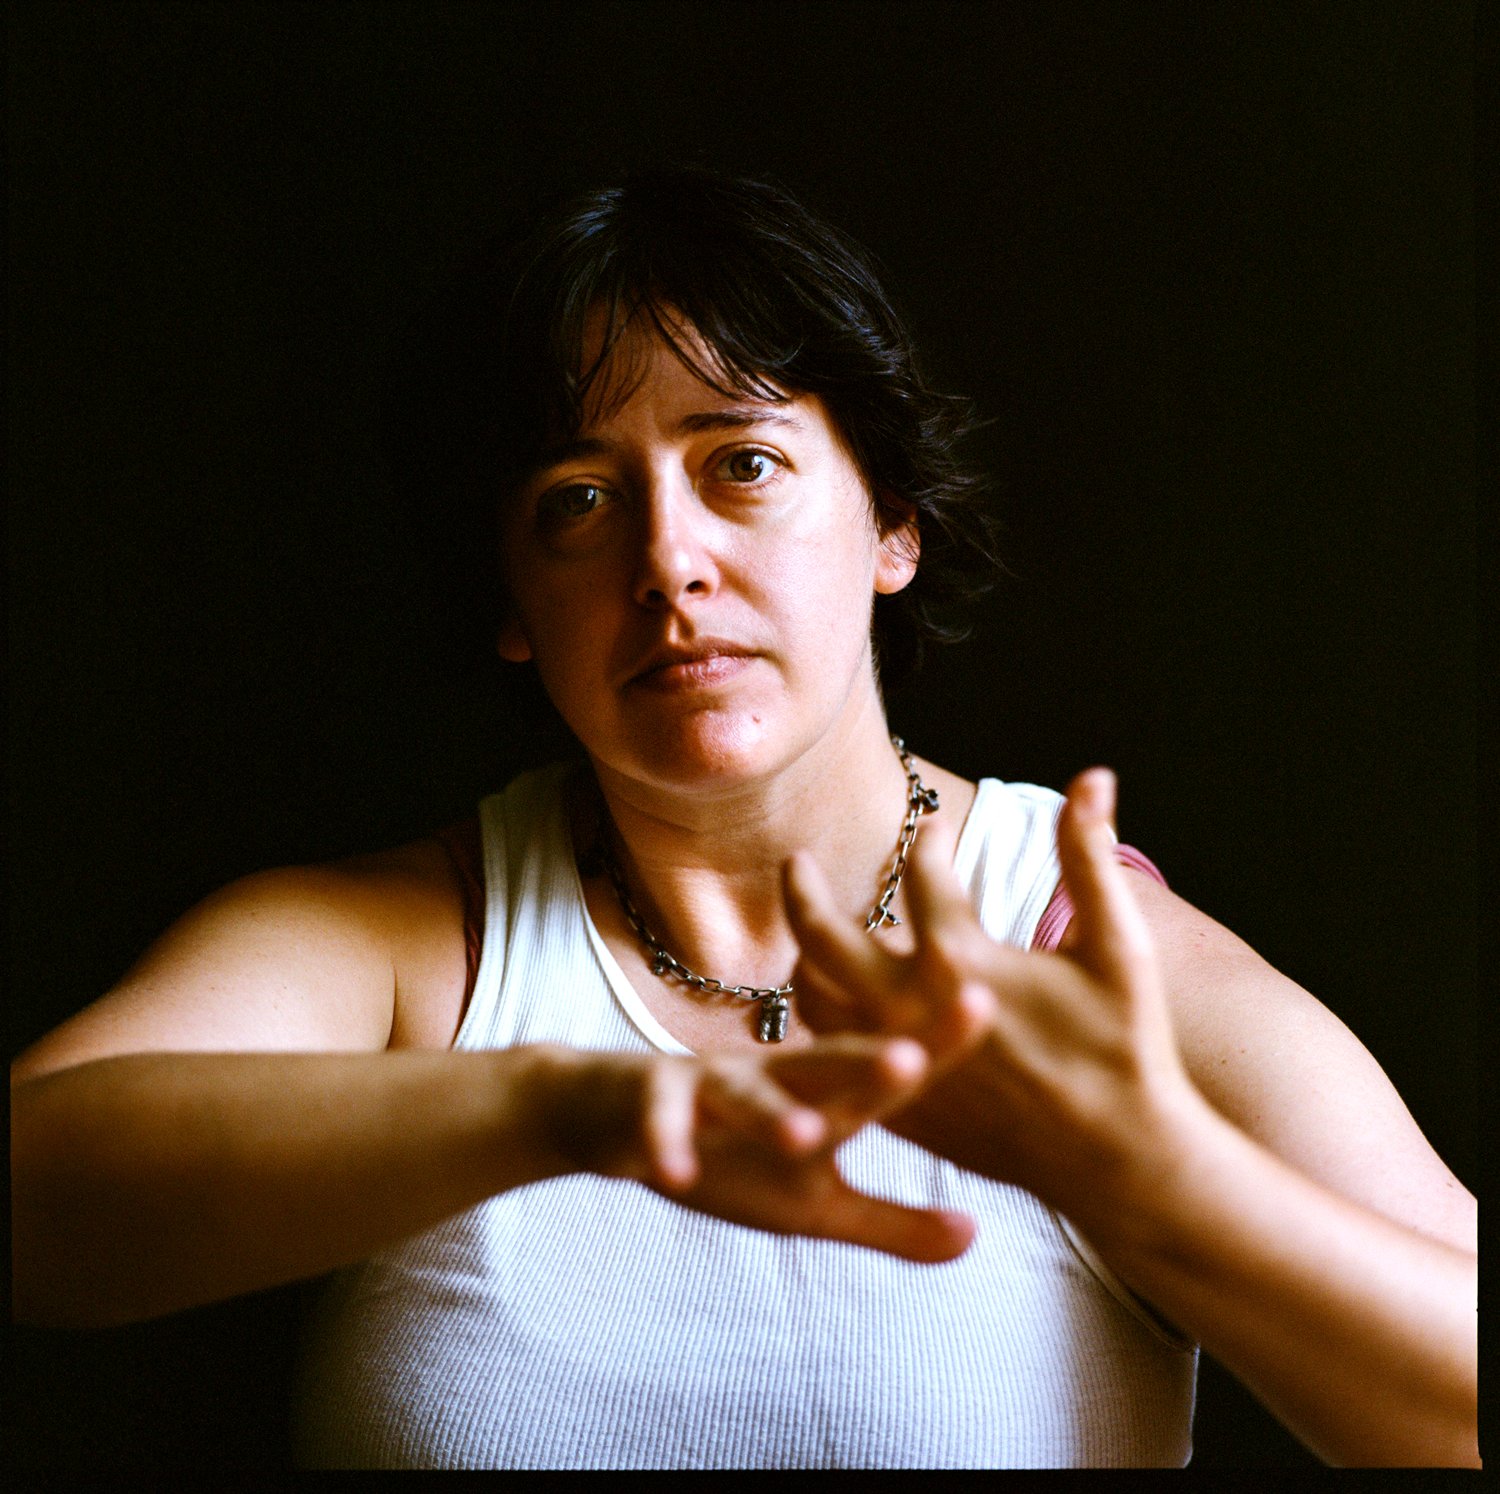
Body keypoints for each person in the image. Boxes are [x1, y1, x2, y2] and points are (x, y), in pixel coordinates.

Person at [10, 168, 1477, 1470]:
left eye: (744, 463)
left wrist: (1152, 1180)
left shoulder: (1083, 945)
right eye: (578, 500)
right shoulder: (410, 949)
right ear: (513, 604)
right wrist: (585, 1106)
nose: (670, 559)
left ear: (893, 523)